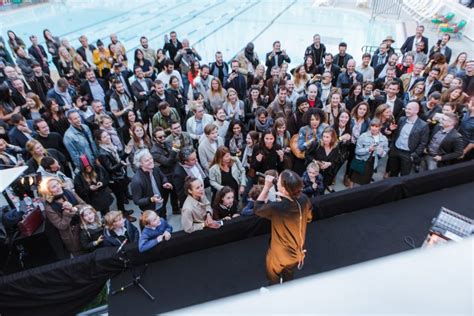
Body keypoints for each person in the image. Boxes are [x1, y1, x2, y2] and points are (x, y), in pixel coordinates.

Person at [254, 170, 312, 285]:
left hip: (279, 254)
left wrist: (266, 187)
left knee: (273, 275)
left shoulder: (277, 208)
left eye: (278, 182)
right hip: (296, 254)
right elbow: (309, 218)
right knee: (289, 274)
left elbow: (257, 209)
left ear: (284, 190)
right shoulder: (304, 199)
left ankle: (274, 292)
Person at [41, 177, 86, 258]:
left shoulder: (68, 192)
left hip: (84, 227)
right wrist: (67, 212)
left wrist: (74, 208)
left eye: (58, 184)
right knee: (82, 258)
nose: (58, 187)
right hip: (72, 237)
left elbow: (84, 205)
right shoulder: (49, 207)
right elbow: (61, 225)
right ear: (48, 191)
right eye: (54, 187)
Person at [388, 102, 429, 176]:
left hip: (408, 154)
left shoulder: (423, 125)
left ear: (416, 111)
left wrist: (414, 155)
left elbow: (423, 143)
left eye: (409, 109)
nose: (406, 110)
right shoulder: (401, 119)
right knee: (393, 173)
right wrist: (392, 147)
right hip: (395, 150)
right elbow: (397, 134)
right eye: (406, 108)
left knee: (404, 175)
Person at [349, 119, 389, 186]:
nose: (374, 128)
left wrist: (381, 152)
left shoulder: (383, 139)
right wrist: (368, 149)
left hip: (372, 161)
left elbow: (384, 153)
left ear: (380, 127)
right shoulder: (363, 136)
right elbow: (357, 151)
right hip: (361, 160)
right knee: (354, 178)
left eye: (376, 126)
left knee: (366, 180)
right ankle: (350, 192)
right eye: (372, 126)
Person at [150, 127, 180, 214]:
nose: (163, 138)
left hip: (173, 172)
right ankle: (163, 215)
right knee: (164, 197)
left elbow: (176, 157)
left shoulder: (168, 143)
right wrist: (174, 150)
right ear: (155, 139)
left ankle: (175, 209)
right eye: (160, 137)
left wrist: (174, 152)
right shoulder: (154, 151)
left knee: (174, 193)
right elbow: (167, 162)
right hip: (164, 176)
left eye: (164, 136)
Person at [305, 127, 341, 192]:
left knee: (321, 191)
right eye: (323, 136)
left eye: (327, 137)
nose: (324, 139)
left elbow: (337, 160)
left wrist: (329, 164)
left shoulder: (336, 148)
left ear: (332, 138)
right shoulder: (317, 144)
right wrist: (315, 162)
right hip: (314, 174)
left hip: (327, 175)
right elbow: (307, 155)